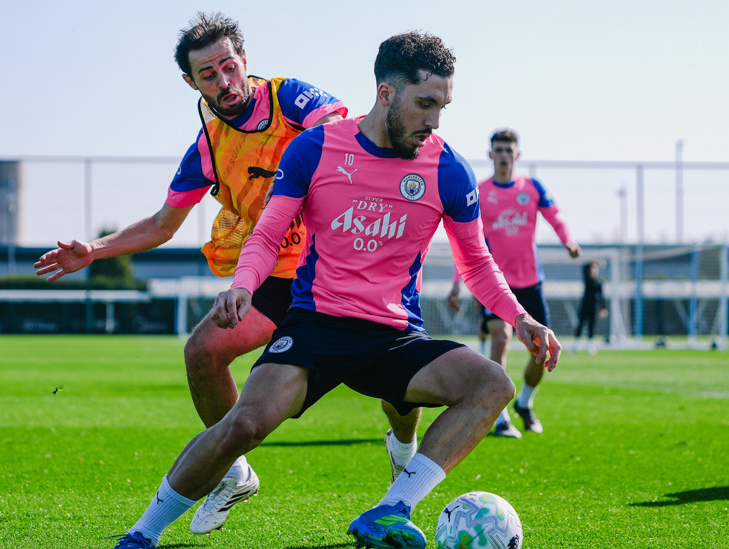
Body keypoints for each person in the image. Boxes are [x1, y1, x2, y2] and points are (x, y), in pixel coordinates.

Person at [108, 31, 561, 549]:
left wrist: (521, 317)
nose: (435, 120)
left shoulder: (448, 168)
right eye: (425, 104)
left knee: (493, 384)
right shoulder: (316, 148)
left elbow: (477, 262)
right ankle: (142, 534)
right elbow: (268, 233)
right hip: (317, 327)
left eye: (443, 106)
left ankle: (392, 509)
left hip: (396, 337)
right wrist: (243, 286)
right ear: (386, 94)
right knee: (243, 426)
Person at [32, 12, 423, 536]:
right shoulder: (210, 146)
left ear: (244, 63)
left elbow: (340, 133)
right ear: (191, 83)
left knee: (397, 389)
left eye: (229, 67)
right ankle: (234, 471)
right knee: (203, 352)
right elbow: (162, 223)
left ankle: (402, 450)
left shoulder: (291, 100)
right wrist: (95, 249)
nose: (224, 81)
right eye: (209, 74)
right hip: (279, 275)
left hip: (344, 264)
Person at [447, 128, 580, 438]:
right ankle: (499, 414)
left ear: (517, 155)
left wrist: (568, 240)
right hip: (494, 284)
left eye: (510, 150)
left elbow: (555, 215)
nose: (504, 155)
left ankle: (524, 402)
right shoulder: (478, 192)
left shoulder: (531, 188)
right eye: (499, 150)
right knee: (500, 337)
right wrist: (457, 283)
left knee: (542, 348)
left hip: (530, 282)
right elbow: (464, 241)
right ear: (490, 154)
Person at [573, 260, 607, 354]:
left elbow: (601, 297)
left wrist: (602, 308)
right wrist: (595, 262)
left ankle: (590, 345)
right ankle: (576, 344)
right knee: (580, 325)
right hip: (584, 306)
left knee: (591, 326)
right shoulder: (587, 280)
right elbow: (584, 267)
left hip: (594, 307)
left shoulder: (599, 283)